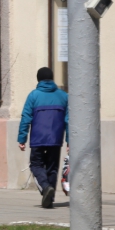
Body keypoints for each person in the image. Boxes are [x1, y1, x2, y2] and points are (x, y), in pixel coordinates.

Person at [17, 67, 69, 209]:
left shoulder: (33, 96)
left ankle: (45, 188)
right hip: (56, 139)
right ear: (52, 79)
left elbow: (26, 118)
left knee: (35, 165)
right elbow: (69, 120)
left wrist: (22, 139)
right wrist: (69, 141)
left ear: (38, 79)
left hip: (38, 138)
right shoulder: (64, 96)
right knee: (52, 168)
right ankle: (49, 199)